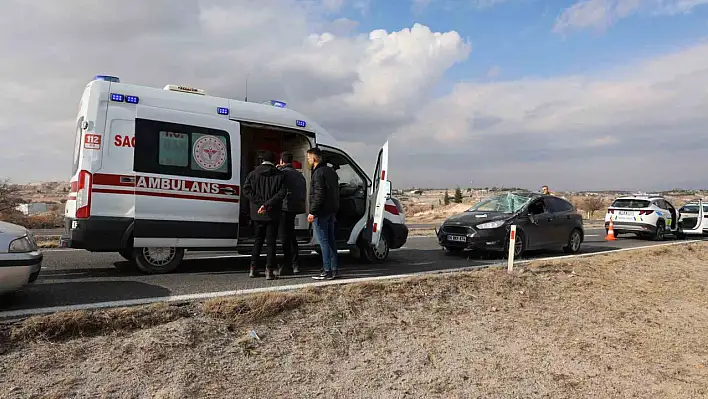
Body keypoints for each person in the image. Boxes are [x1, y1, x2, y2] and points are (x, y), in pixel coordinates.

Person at [242, 151, 286, 280]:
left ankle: (253, 268)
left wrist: (260, 203)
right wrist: (267, 204)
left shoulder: (253, 174)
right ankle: (269, 271)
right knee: (271, 242)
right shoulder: (280, 175)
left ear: (262, 160)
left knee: (258, 241)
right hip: (273, 213)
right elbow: (282, 193)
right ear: (274, 161)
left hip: (257, 213)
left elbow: (246, 190)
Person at [306, 147, 340, 280]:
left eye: (309, 158)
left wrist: (312, 211)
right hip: (331, 211)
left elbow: (319, 194)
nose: (308, 160)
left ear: (314, 158)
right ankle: (334, 268)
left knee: (323, 242)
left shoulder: (318, 173)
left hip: (321, 212)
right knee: (331, 241)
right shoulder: (330, 171)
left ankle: (327, 270)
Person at [276, 151, 307, 276]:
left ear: (282, 161)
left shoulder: (281, 173)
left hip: (283, 207)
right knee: (292, 235)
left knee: (284, 237)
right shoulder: (299, 175)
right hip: (295, 208)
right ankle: (295, 264)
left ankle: (287, 264)